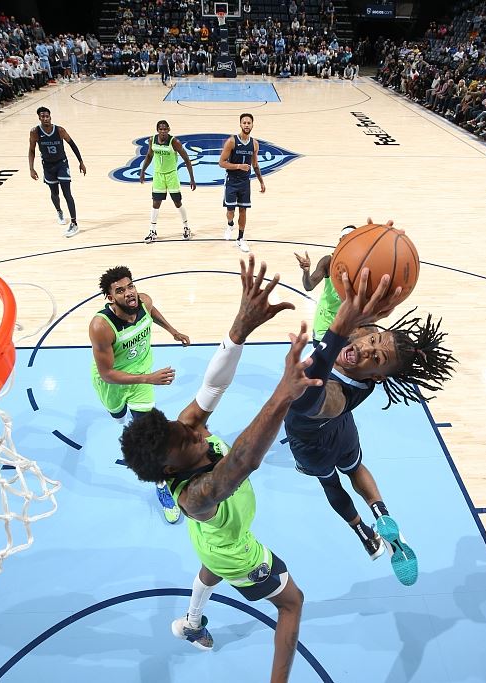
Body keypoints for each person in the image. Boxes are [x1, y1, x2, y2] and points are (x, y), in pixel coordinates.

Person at [120, 255, 331, 682]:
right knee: (292, 603)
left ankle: (191, 622)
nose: (196, 432)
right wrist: (283, 394)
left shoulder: (180, 431)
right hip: (235, 549)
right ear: (169, 468)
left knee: (209, 564)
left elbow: (213, 384)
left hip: (209, 541)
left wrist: (240, 329)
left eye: (185, 427)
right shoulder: (195, 496)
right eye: (188, 440)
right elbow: (242, 462)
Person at [284, 240, 456, 586]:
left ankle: (362, 531)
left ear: (377, 377)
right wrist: (373, 257)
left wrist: (335, 333)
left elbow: (305, 399)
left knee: (331, 482)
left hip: (312, 441)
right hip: (343, 431)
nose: (363, 349)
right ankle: (383, 516)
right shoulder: (366, 338)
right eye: (372, 341)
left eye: (375, 358)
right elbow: (367, 317)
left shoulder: (338, 395)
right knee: (355, 467)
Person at [89, 265, 190, 523]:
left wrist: (173, 330)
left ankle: (161, 484)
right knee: (118, 415)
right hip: (112, 382)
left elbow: (151, 312)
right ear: (110, 298)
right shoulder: (101, 326)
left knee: (148, 435)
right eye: (120, 290)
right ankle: (122, 417)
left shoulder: (144, 301)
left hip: (142, 378)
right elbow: (107, 373)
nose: (129, 293)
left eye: (130, 286)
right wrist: (150, 378)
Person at [28, 107, 86, 238]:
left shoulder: (60, 130)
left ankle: (74, 223)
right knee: (54, 193)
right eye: (42, 116)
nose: (45, 118)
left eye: (47, 116)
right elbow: (31, 150)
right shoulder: (35, 132)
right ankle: (59, 211)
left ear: (50, 117)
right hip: (48, 166)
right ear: (39, 118)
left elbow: (72, 144)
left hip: (61, 164)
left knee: (67, 193)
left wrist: (81, 162)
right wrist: (31, 168)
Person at [293, 225, 355, 340]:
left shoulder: (360, 265)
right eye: (345, 238)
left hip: (347, 322)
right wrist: (306, 271)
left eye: (352, 239)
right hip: (325, 321)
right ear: (340, 241)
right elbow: (309, 286)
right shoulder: (328, 261)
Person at [139, 120, 197, 243]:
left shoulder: (174, 142)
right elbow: (149, 156)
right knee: (156, 203)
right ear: (157, 130)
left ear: (169, 129)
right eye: (161, 129)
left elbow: (186, 159)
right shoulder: (152, 140)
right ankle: (152, 231)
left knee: (177, 202)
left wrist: (192, 178)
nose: (163, 131)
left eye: (165, 129)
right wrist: (143, 170)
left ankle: (186, 227)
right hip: (158, 176)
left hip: (171, 175)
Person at [219, 113, 266, 253]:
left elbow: (255, 164)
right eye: (244, 123)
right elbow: (221, 163)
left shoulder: (254, 144)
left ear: (252, 125)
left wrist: (261, 182)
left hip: (245, 182)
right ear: (240, 124)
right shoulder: (232, 141)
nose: (246, 125)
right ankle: (230, 224)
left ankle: (240, 239)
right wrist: (239, 166)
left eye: (249, 123)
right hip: (232, 181)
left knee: (243, 210)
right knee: (230, 211)